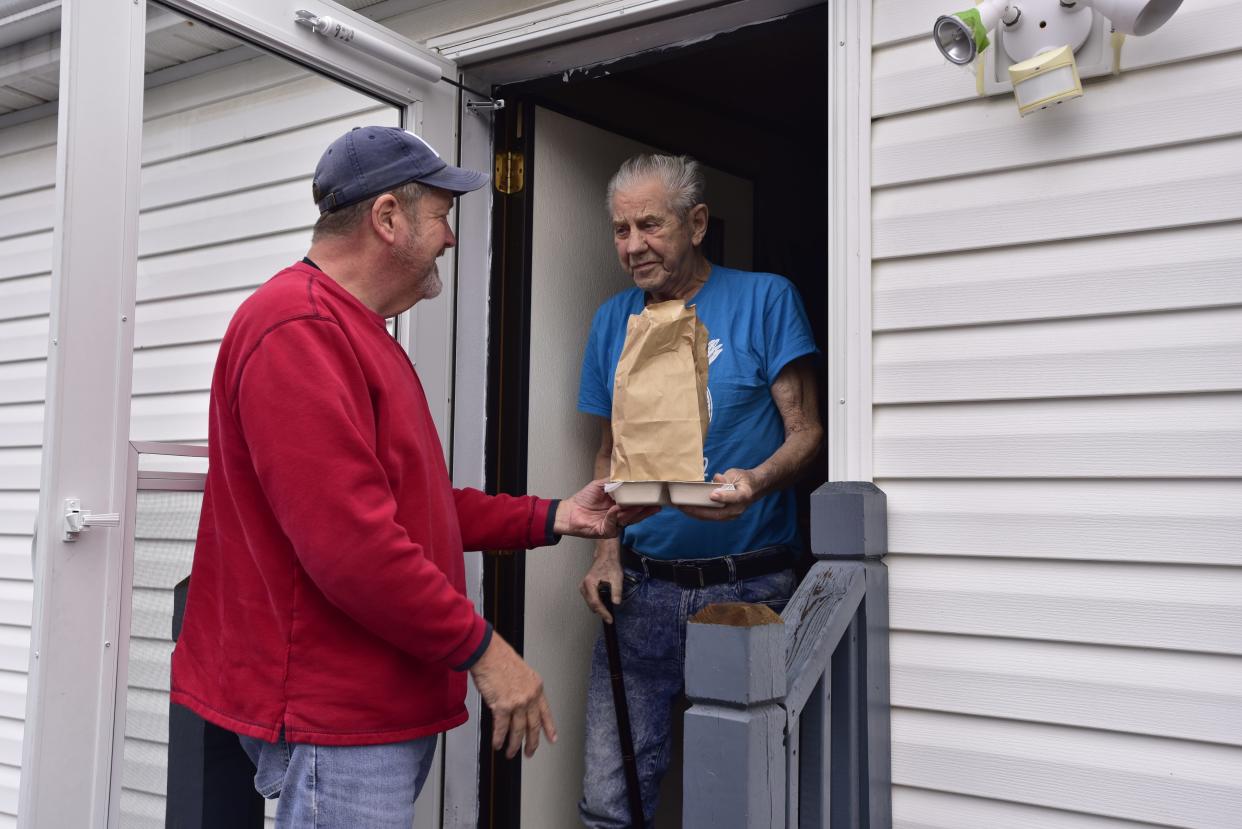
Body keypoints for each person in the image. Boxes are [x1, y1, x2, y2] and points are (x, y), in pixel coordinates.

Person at [170, 126, 653, 828]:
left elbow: (415, 509)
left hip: (378, 709)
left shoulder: (361, 331)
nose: (450, 238)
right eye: (441, 216)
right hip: (337, 715)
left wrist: (557, 516)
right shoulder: (296, 329)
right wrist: (485, 651)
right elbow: (354, 549)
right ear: (388, 218)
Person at [576, 153, 823, 826]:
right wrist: (603, 554)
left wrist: (757, 478)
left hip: (749, 589)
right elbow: (609, 449)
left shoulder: (765, 298)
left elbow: (806, 432)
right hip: (642, 589)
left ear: (697, 222)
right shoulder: (611, 322)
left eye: (649, 226)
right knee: (608, 799)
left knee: (749, 797)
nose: (632, 246)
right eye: (620, 230)